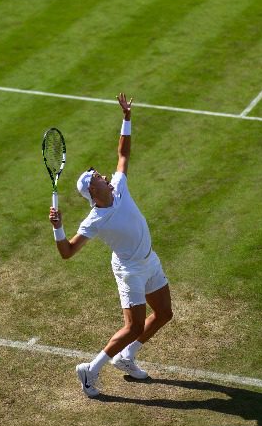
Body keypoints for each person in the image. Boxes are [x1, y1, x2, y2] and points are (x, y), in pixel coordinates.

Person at [48, 93, 173, 397]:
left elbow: (123, 154)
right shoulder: (94, 220)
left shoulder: (118, 187)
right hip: (129, 270)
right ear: (93, 191)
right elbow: (67, 253)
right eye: (97, 177)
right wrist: (58, 227)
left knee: (165, 313)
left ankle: (126, 357)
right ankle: (90, 370)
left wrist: (127, 118)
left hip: (148, 260)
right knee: (132, 326)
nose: (105, 176)